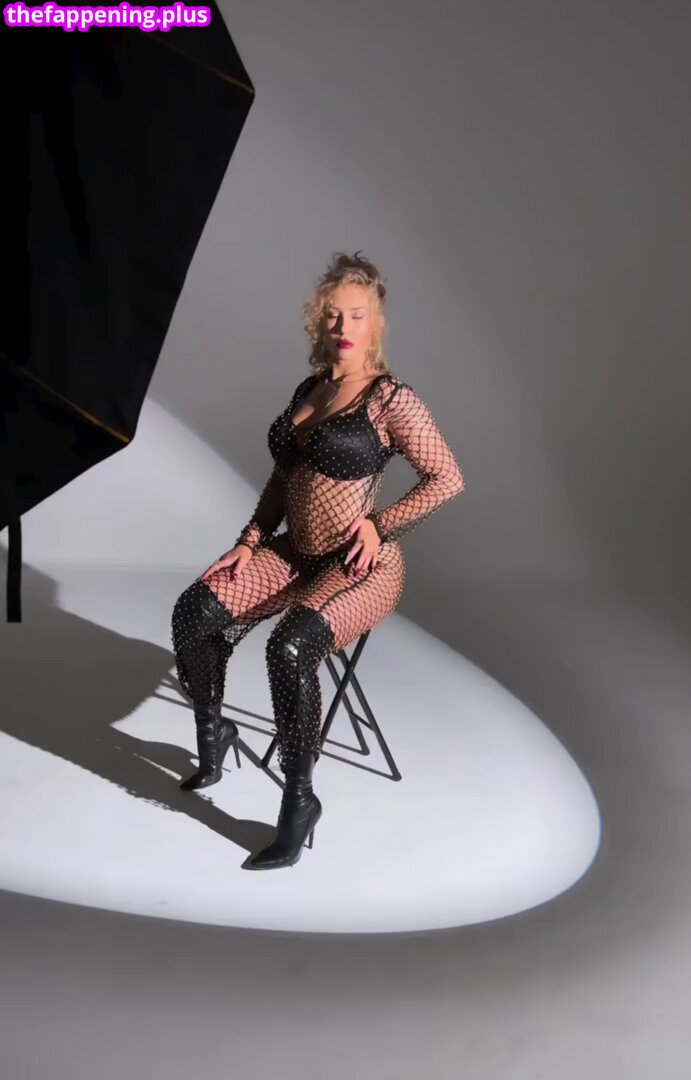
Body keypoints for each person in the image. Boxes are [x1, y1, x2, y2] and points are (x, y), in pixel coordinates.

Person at [170, 251, 465, 870]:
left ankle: (299, 803)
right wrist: (250, 539)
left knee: (289, 649)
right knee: (194, 611)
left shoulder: (389, 398)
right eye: (333, 314)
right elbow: (284, 479)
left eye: (357, 314)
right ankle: (214, 737)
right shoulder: (308, 390)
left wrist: (379, 525)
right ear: (318, 322)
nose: (343, 326)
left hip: (359, 567)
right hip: (295, 554)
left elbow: (446, 478)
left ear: (376, 323)